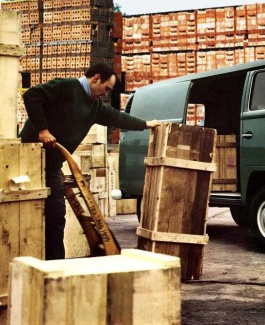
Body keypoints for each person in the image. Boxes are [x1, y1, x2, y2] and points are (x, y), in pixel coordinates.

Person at [20, 63, 161, 260]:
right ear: (96, 78)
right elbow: (32, 95)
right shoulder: (67, 87)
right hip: (26, 160)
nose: (105, 94)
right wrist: (42, 130)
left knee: (56, 217)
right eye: (106, 88)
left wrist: (145, 124)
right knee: (21, 212)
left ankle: (55, 265)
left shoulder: (94, 107)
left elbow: (117, 118)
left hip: (52, 167)